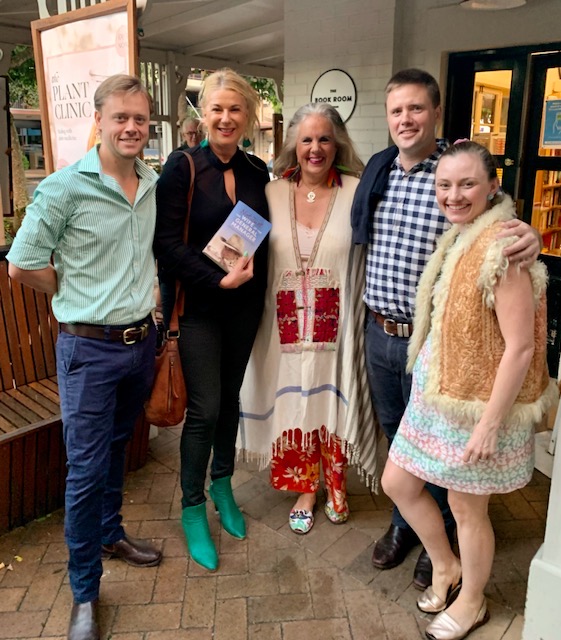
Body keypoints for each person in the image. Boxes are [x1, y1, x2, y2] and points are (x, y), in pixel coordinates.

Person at [350, 68, 542, 590]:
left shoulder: (456, 171)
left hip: (437, 343)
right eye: (396, 110)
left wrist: (530, 234)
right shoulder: (379, 169)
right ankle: (407, 525)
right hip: (379, 331)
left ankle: (447, 538)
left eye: (416, 108)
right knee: (400, 437)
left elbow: (497, 220)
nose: (405, 119)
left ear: (436, 112)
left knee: (443, 451)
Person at [381, 141, 557, 640]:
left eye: (467, 184)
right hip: (438, 393)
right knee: (398, 483)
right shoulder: (462, 235)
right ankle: (446, 565)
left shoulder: (504, 247)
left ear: (492, 187)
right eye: (444, 185)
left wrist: (489, 424)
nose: (453, 195)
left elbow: (521, 347)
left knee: (466, 508)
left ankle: (473, 601)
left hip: (477, 404)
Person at [7, 74, 162, 640]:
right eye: (120, 117)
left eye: (140, 119)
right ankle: (84, 593)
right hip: (88, 351)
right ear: (99, 120)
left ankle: (110, 533)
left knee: (117, 449)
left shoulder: (151, 182)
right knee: (85, 471)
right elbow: (21, 264)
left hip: (139, 346)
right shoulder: (64, 188)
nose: (131, 127)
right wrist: (71, 292)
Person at [238, 103, 377, 535]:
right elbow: (232, 246)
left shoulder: (358, 192)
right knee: (294, 403)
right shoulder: (271, 192)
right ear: (293, 146)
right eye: (307, 140)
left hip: (337, 318)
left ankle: (336, 483)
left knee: (331, 396)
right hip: (281, 321)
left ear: (338, 145)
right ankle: (304, 490)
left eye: (324, 139)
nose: (315, 148)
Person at [154, 68, 269, 571]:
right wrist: (216, 280)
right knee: (204, 409)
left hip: (245, 308)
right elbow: (165, 245)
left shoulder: (257, 170)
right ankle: (192, 506)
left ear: (248, 115)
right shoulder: (180, 167)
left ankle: (223, 485)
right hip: (199, 308)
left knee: (230, 400)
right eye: (217, 109)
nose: (225, 118)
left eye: (235, 109)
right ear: (203, 115)